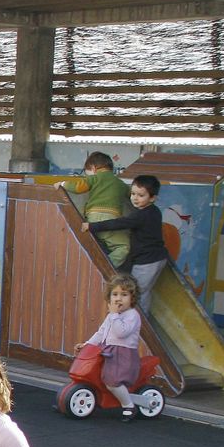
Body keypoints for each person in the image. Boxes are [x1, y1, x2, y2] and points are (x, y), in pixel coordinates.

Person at [88, 174, 166, 307]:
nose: (135, 198)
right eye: (133, 193)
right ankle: (142, 320)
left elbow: (120, 223)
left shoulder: (141, 215)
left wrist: (92, 226)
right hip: (158, 258)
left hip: (146, 261)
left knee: (136, 293)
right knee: (144, 292)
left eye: (141, 195)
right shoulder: (154, 211)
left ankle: (137, 322)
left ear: (152, 198)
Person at [78, 274, 144, 422]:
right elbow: (101, 333)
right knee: (97, 375)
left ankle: (128, 405)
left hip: (122, 355)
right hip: (108, 351)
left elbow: (121, 332)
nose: (118, 299)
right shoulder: (111, 316)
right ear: (109, 298)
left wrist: (114, 315)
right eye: (115, 294)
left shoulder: (132, 315)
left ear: (132, 298)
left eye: (124, 295)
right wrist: (88, 344)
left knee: (112, 382)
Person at [59, 151, 133, 268]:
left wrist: (62, 183)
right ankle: (106, 268)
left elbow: (78, 187)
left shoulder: (94, 178)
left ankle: (99, 267)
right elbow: (132, 197)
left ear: (93, 168)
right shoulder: (120, 184)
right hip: (110, 220)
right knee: (123, 247)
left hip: (92, 219)